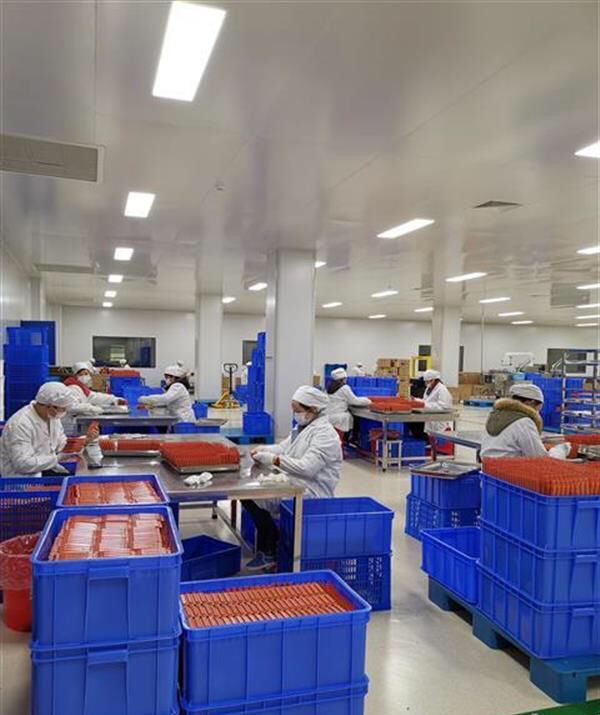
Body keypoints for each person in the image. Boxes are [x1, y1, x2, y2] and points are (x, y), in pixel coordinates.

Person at [243, 385, 343, 571]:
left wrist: (274, 460)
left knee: (254, 495)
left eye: (298, 410)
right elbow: (283, 448)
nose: (295, 414)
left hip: (311, 492)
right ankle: (270, 543)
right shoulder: (303, 428)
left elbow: (308, 468)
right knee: (247, 494)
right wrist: (263, 450)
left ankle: (270, 550)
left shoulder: (325, 435)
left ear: (313, 409)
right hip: (294, 483)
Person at [0, 382, 99, 477]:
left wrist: (83, 441)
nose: (64, 412)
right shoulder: (21, 424)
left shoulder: (52, 417)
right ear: (51, 407)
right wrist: (57, 458)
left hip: (45, 471)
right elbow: (22, 464)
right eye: (63, 409)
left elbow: (60, 445)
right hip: (22, 481)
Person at [481, 383, 569, 459]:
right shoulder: (524, 422)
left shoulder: (495, 415)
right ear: (530, 402)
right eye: (537, 409)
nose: (537, 413)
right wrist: (561, 449)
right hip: (509, 470)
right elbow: (540, 458)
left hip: (488, 468)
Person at [62, 362, 125, 435]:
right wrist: (90, 408)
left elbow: (93, 396)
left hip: (77, 423)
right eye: (81, 374)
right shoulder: (72, 387)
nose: (85, 376)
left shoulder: (81, 387)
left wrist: (113, 399)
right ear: (75, 376)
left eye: (86, 374)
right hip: (70, 425)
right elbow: (71, 407)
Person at [326, 368, 372, 440]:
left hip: (329, 416)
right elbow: (354, 401)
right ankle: (352, 439)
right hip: (339, 417)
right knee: (351, 420)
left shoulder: (329, 387)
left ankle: (348, 440)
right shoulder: (344, 388)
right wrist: (367, 400)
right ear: (343, 379)